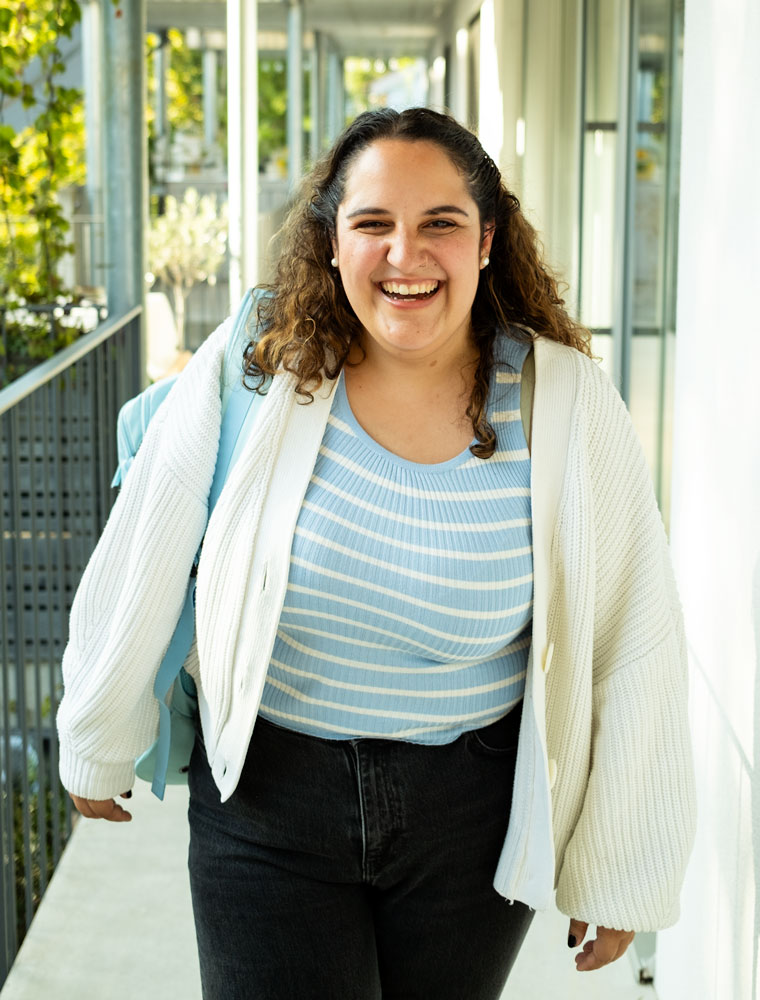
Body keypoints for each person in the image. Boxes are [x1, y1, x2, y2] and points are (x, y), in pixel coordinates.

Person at [57, 107, 696, 999]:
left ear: (485, 242)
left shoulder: (564, 401)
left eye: (441, 223)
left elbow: (634, 633)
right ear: (330, 242)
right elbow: (150, 535)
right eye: (373, 224)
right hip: (268, 798)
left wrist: (618, 860)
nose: (407, 254)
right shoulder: (266, 362)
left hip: (471, 820)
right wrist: (96, 728)